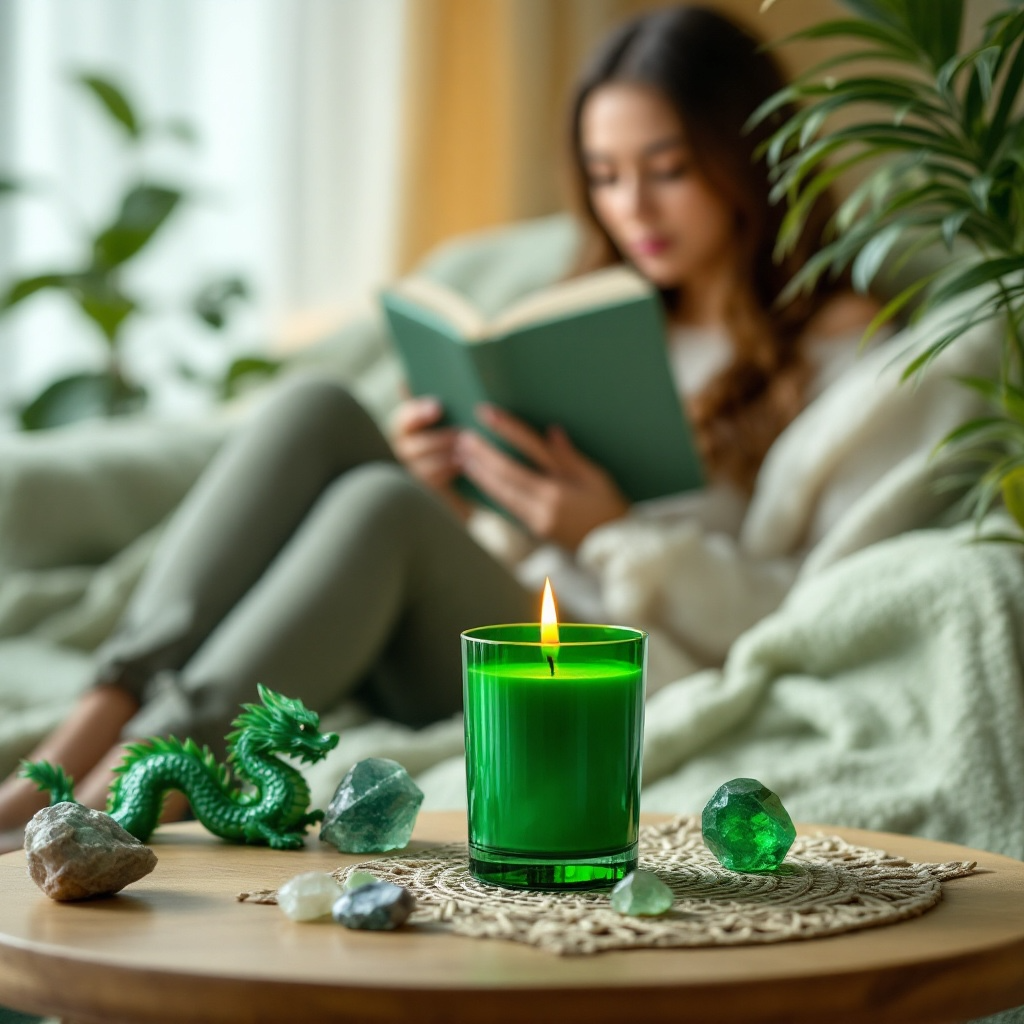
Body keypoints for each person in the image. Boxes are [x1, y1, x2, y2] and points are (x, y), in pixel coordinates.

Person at [0, 4, 879, 840]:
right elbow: (504, 534)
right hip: (475, 614)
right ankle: (84, 733)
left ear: (748, 155)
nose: (633, 209)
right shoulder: (594, 312)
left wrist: (610, 532)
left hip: (597, 667)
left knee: (381, 508)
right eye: (606, 176)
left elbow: (802, 609)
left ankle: (136, 783)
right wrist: (457, 487)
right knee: (321, 409)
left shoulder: (835, 350)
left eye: (669, 170)